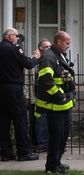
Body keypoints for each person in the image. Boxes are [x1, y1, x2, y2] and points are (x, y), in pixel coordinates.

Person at [35, 31, 76, 174]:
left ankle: (57, 162)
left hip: (63, 105)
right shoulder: (48, 57)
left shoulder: (58, 55)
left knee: (63, 135)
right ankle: (51, 166)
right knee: (56, 136)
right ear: (58, 42)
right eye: (67, 43)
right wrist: (60, 96)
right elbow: (46, 79)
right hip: (55, 105)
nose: (69, 46)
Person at [0, 27, 41, 162]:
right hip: (14, 88)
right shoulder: (14, 49)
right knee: (20, 120)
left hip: (2, 88)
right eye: (16, 36)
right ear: (10, 36)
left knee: (3, 122)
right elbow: (28, 64)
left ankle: (6, 153)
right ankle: (24, 152)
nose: (18, 39)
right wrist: (36, 57)